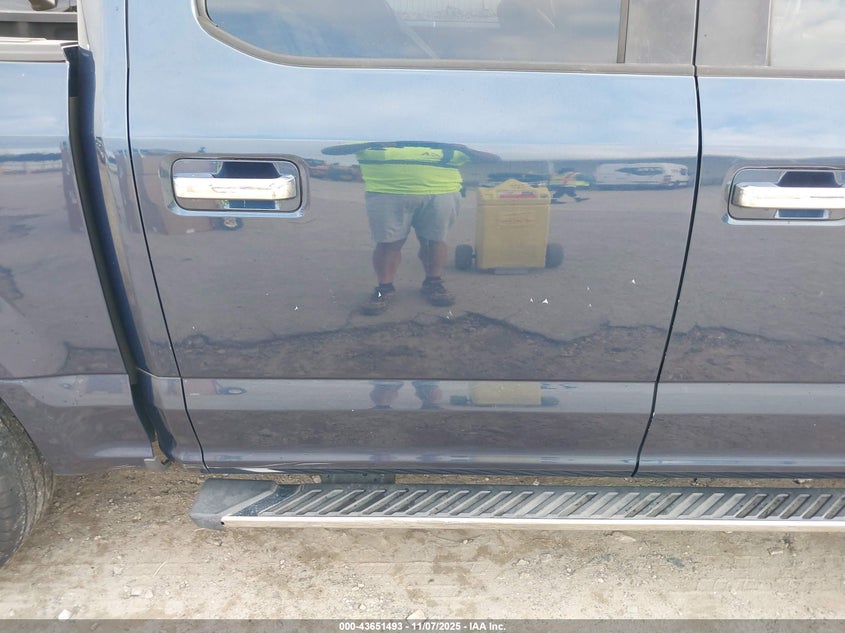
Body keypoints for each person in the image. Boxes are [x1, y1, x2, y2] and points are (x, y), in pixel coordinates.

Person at [354, 143, 470, 315]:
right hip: (386, 192)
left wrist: (462, 148)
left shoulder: (446, 145)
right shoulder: (377, 143)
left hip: (442, 192)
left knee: (434, 241)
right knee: (388, 243)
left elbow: (492, 158)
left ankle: (433, 283)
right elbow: (332, 150)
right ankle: (384, 289)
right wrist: (377, 144)